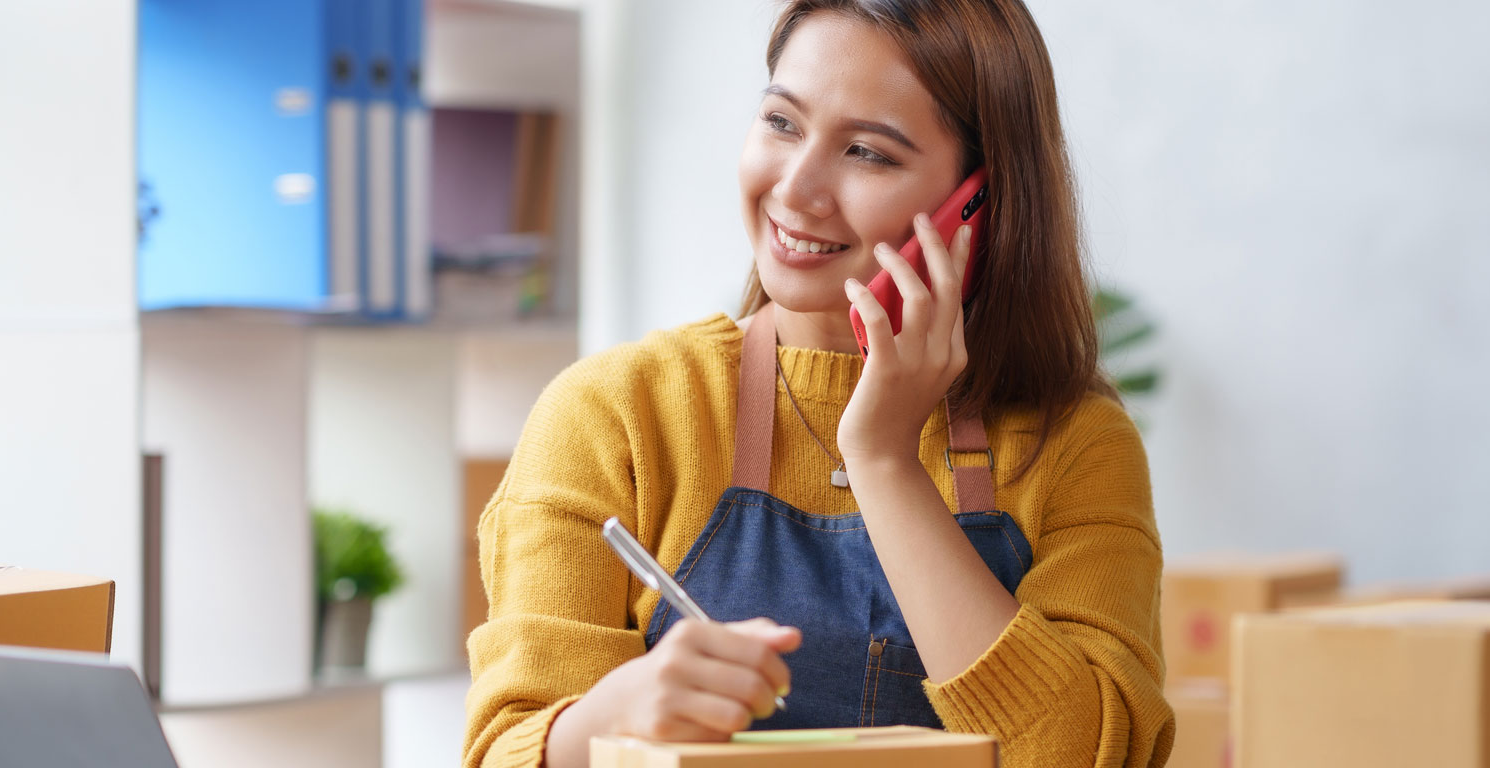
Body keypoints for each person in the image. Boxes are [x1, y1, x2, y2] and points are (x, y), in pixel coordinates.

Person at [464, 1, 1172, 766]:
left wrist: (885, 460)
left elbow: (1085, 753)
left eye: (867, 153)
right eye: (781, 122)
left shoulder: (1076, 445)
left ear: (978, 205)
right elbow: (503, 749)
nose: (797, 189)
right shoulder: (613, 414)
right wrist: (610, 717)